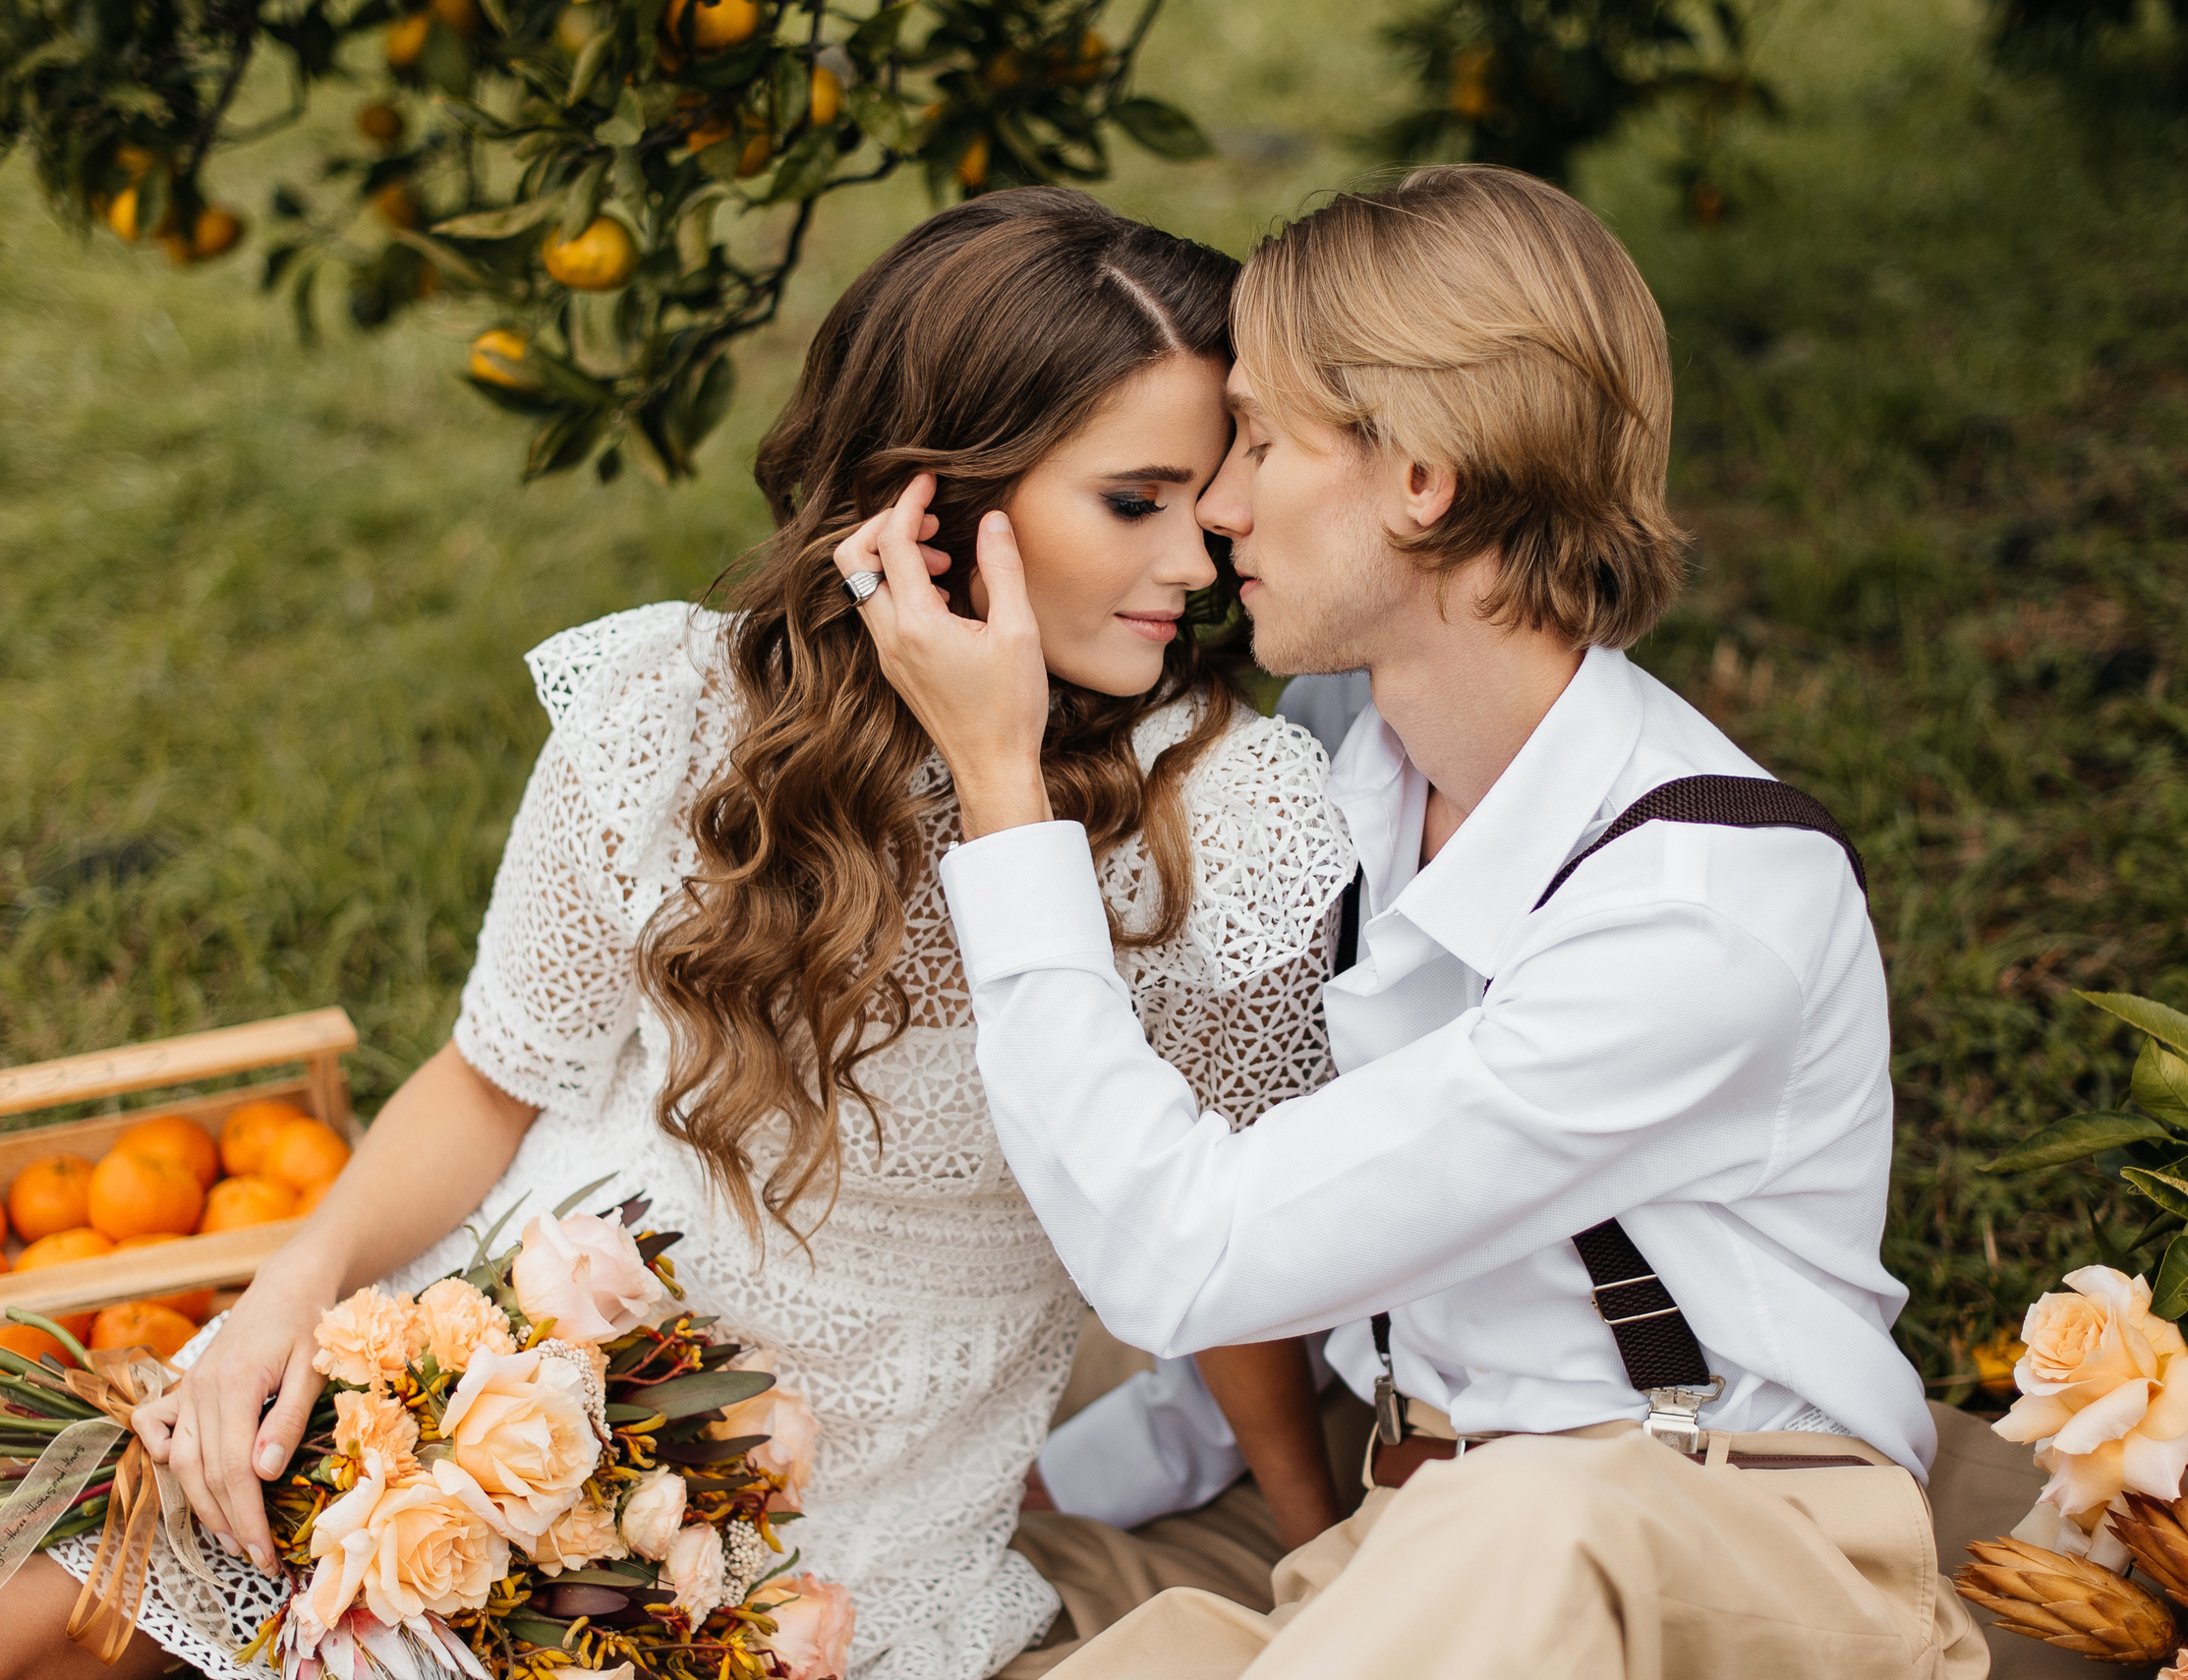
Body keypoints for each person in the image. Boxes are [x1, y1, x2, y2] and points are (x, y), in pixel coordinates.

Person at [0, 189, 1353, 1680]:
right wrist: (287, 1295)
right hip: (512, 1348)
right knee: (60, 1617)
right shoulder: (671, 711)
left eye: (1206, 500)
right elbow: (488, 1079)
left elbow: (1226, 1239)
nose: (1198, 563)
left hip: (829, 1504)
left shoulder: (1226, 823)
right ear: (937, 503)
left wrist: (1318, 1541)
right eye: (1132, 501)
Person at [851, 164, 1990, 1678]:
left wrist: (1005, 792)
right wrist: (1078, 1476)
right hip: (1405, 1546)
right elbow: (1333, 1214)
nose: (1220, 505)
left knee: (1529, 1514)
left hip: (1725, 1549)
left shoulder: (1695, 914)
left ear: (1422, 478)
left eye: (1256, 438)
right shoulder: (1338, 756)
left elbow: (1187, 1244)